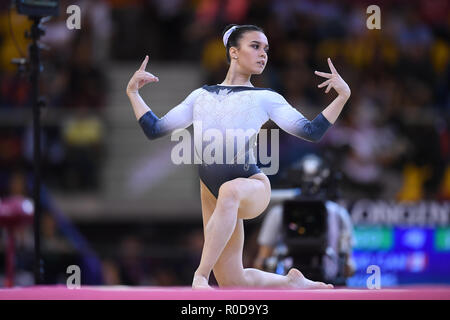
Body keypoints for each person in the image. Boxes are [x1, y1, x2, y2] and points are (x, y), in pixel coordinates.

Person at [126, 24, 351, 289]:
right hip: (210, 191)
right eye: (255, 46)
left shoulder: (266, 98)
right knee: (234, 281)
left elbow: (311, 132)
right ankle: (292, 282)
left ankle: (200, 275)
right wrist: (133, 93)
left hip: (250, 185)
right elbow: (155, 129)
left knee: (231, 192)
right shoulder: (201, 96)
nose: (263, 54)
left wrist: (343, 96)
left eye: (266, 49)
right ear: (233, 51)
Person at [254, 154, 356, 285]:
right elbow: (349, 267)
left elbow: (262, 262)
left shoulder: (279, 212)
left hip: (308, 284)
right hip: (321, 285)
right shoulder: (339, 213)